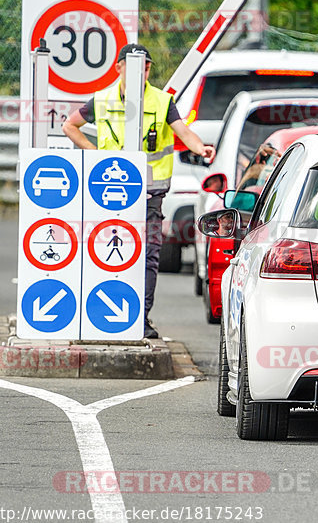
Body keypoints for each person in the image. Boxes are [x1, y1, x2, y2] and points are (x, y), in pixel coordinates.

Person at [63, 43, 216, 338]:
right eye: (136, 66)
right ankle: (99, 317)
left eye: (146, 66)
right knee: (104, 251)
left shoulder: (162, 101)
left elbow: (183, 131)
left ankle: (140, 319)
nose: (142, 71)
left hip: (150, 194)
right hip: (109, 195)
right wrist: (95, 155)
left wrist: (201, 148)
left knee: (148, 256)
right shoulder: (102, 99)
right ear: (118, 67)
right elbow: (71, 126)